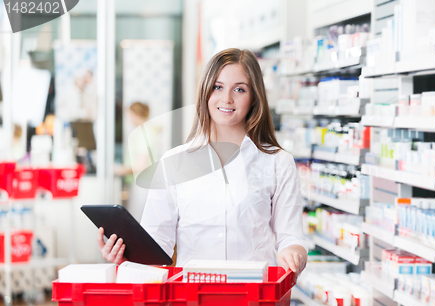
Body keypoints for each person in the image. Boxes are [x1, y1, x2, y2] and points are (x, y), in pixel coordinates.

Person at [98, 48, 308, 278]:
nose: (227, 98)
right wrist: (127, 256)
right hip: (193, 301)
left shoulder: (278, 162)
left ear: (255, 97)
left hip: (255, 300)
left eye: (239, 89)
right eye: (218, 87)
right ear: (205, 92)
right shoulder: (174, 162)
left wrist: (294, 253)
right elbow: (157, 244)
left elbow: (291, 237)